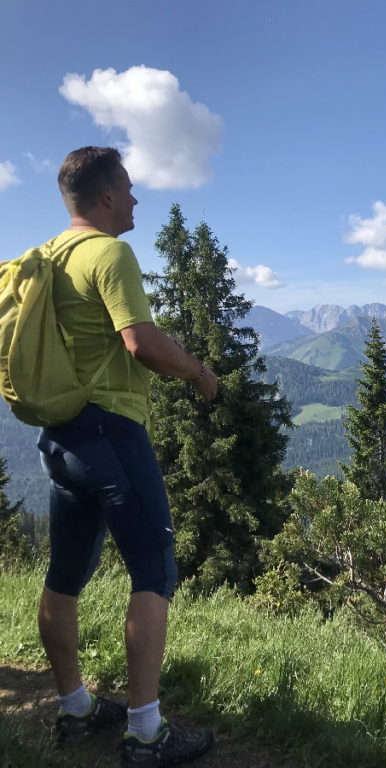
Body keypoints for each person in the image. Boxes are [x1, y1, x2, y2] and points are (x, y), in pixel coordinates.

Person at [35, 146, 216, 766]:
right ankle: (145, 733)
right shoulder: (111, 253)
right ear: (107, 195)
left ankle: (75, 708)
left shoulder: (48, 258)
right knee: (154, 571)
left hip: (58, 437)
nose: (138, 199)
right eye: (131, 189)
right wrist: (198, 373)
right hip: (111, 432)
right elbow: (139, 343)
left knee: (65, 575)